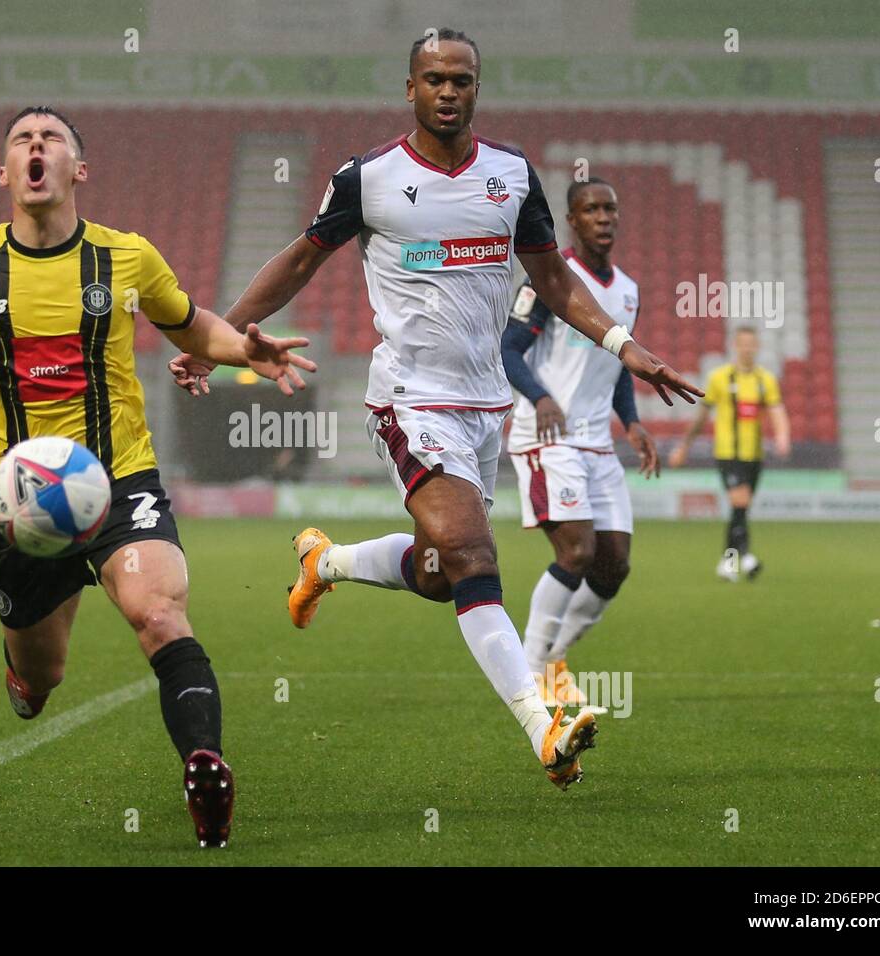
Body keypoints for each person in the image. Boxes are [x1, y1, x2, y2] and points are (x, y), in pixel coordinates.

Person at [168, 32, 702, 790]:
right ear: (409, 88)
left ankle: (329, 562)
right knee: (475, 556)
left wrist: (625, 345)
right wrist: (213, 338)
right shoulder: (369, 179)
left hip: (488, 405)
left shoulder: (511, 175)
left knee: (439, 570)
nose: (449, 91)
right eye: (435, 79)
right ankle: (541, 724)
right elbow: (299, 260)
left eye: (463, 80)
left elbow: (552, 280)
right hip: (411, 399)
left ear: (478, 89)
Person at [0, 106, 315, 847]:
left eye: (51, 139)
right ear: (4, 171)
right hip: (23, 502)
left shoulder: (126, 257)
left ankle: (204, 768)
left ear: (77, 169)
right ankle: (27, 679)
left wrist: (248, 351)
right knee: (43, 675)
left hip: (120, 480)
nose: (36, 147)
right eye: (22, 139)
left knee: (159, 614)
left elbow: (191, 325)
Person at [501, 178, 658, 708]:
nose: (603, 217)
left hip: (596, 441)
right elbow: (510, 349)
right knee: (576, 551)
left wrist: (631, 422)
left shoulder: (629, 290)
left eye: (610, 207)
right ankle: (527, 677)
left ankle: (553, 659)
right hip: (548, 435)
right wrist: (542, 397)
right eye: (591, 209)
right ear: (572, 220)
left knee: (614, 565)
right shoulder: (552, 277)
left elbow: (615, 362)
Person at [669, 325, 790, 581]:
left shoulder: (764, 380)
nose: (747, 348)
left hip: (753, 455)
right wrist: (684, 446)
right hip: (727, 453)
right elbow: (702, 416)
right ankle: (744, 556)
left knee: (741, 509)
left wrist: (782, 436)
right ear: (735, 346)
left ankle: (730, 560)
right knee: (740, 502)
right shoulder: (719, 378)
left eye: (751, 344)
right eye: (742, 343)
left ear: (756, 347)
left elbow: (777, 409)